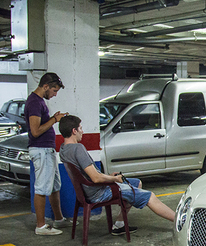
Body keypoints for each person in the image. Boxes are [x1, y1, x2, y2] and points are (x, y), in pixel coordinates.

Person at [58, 115, 175, 235]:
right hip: (99, 192)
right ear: (74, 131)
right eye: (80, 128)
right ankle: (179, 221)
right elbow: (95, 178)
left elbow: (88, 175)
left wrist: (108, 176)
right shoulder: (78, 148)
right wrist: (114, 178)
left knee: (136, 183)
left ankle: (119, 224)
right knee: (150, 196)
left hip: (86, 191)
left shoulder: (63, 149)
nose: (82, 131)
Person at [26, 72, 70, 235]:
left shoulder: (39, 102)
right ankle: (41, 226)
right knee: (42, 187)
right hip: (41, 150)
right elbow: (35, 131)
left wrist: (53, 118)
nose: (55, 94)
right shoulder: (35, 102)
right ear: (45, 87)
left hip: (47, 150)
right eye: (54, 91)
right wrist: (54, 120)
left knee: (53, 186)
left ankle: (58, 219)